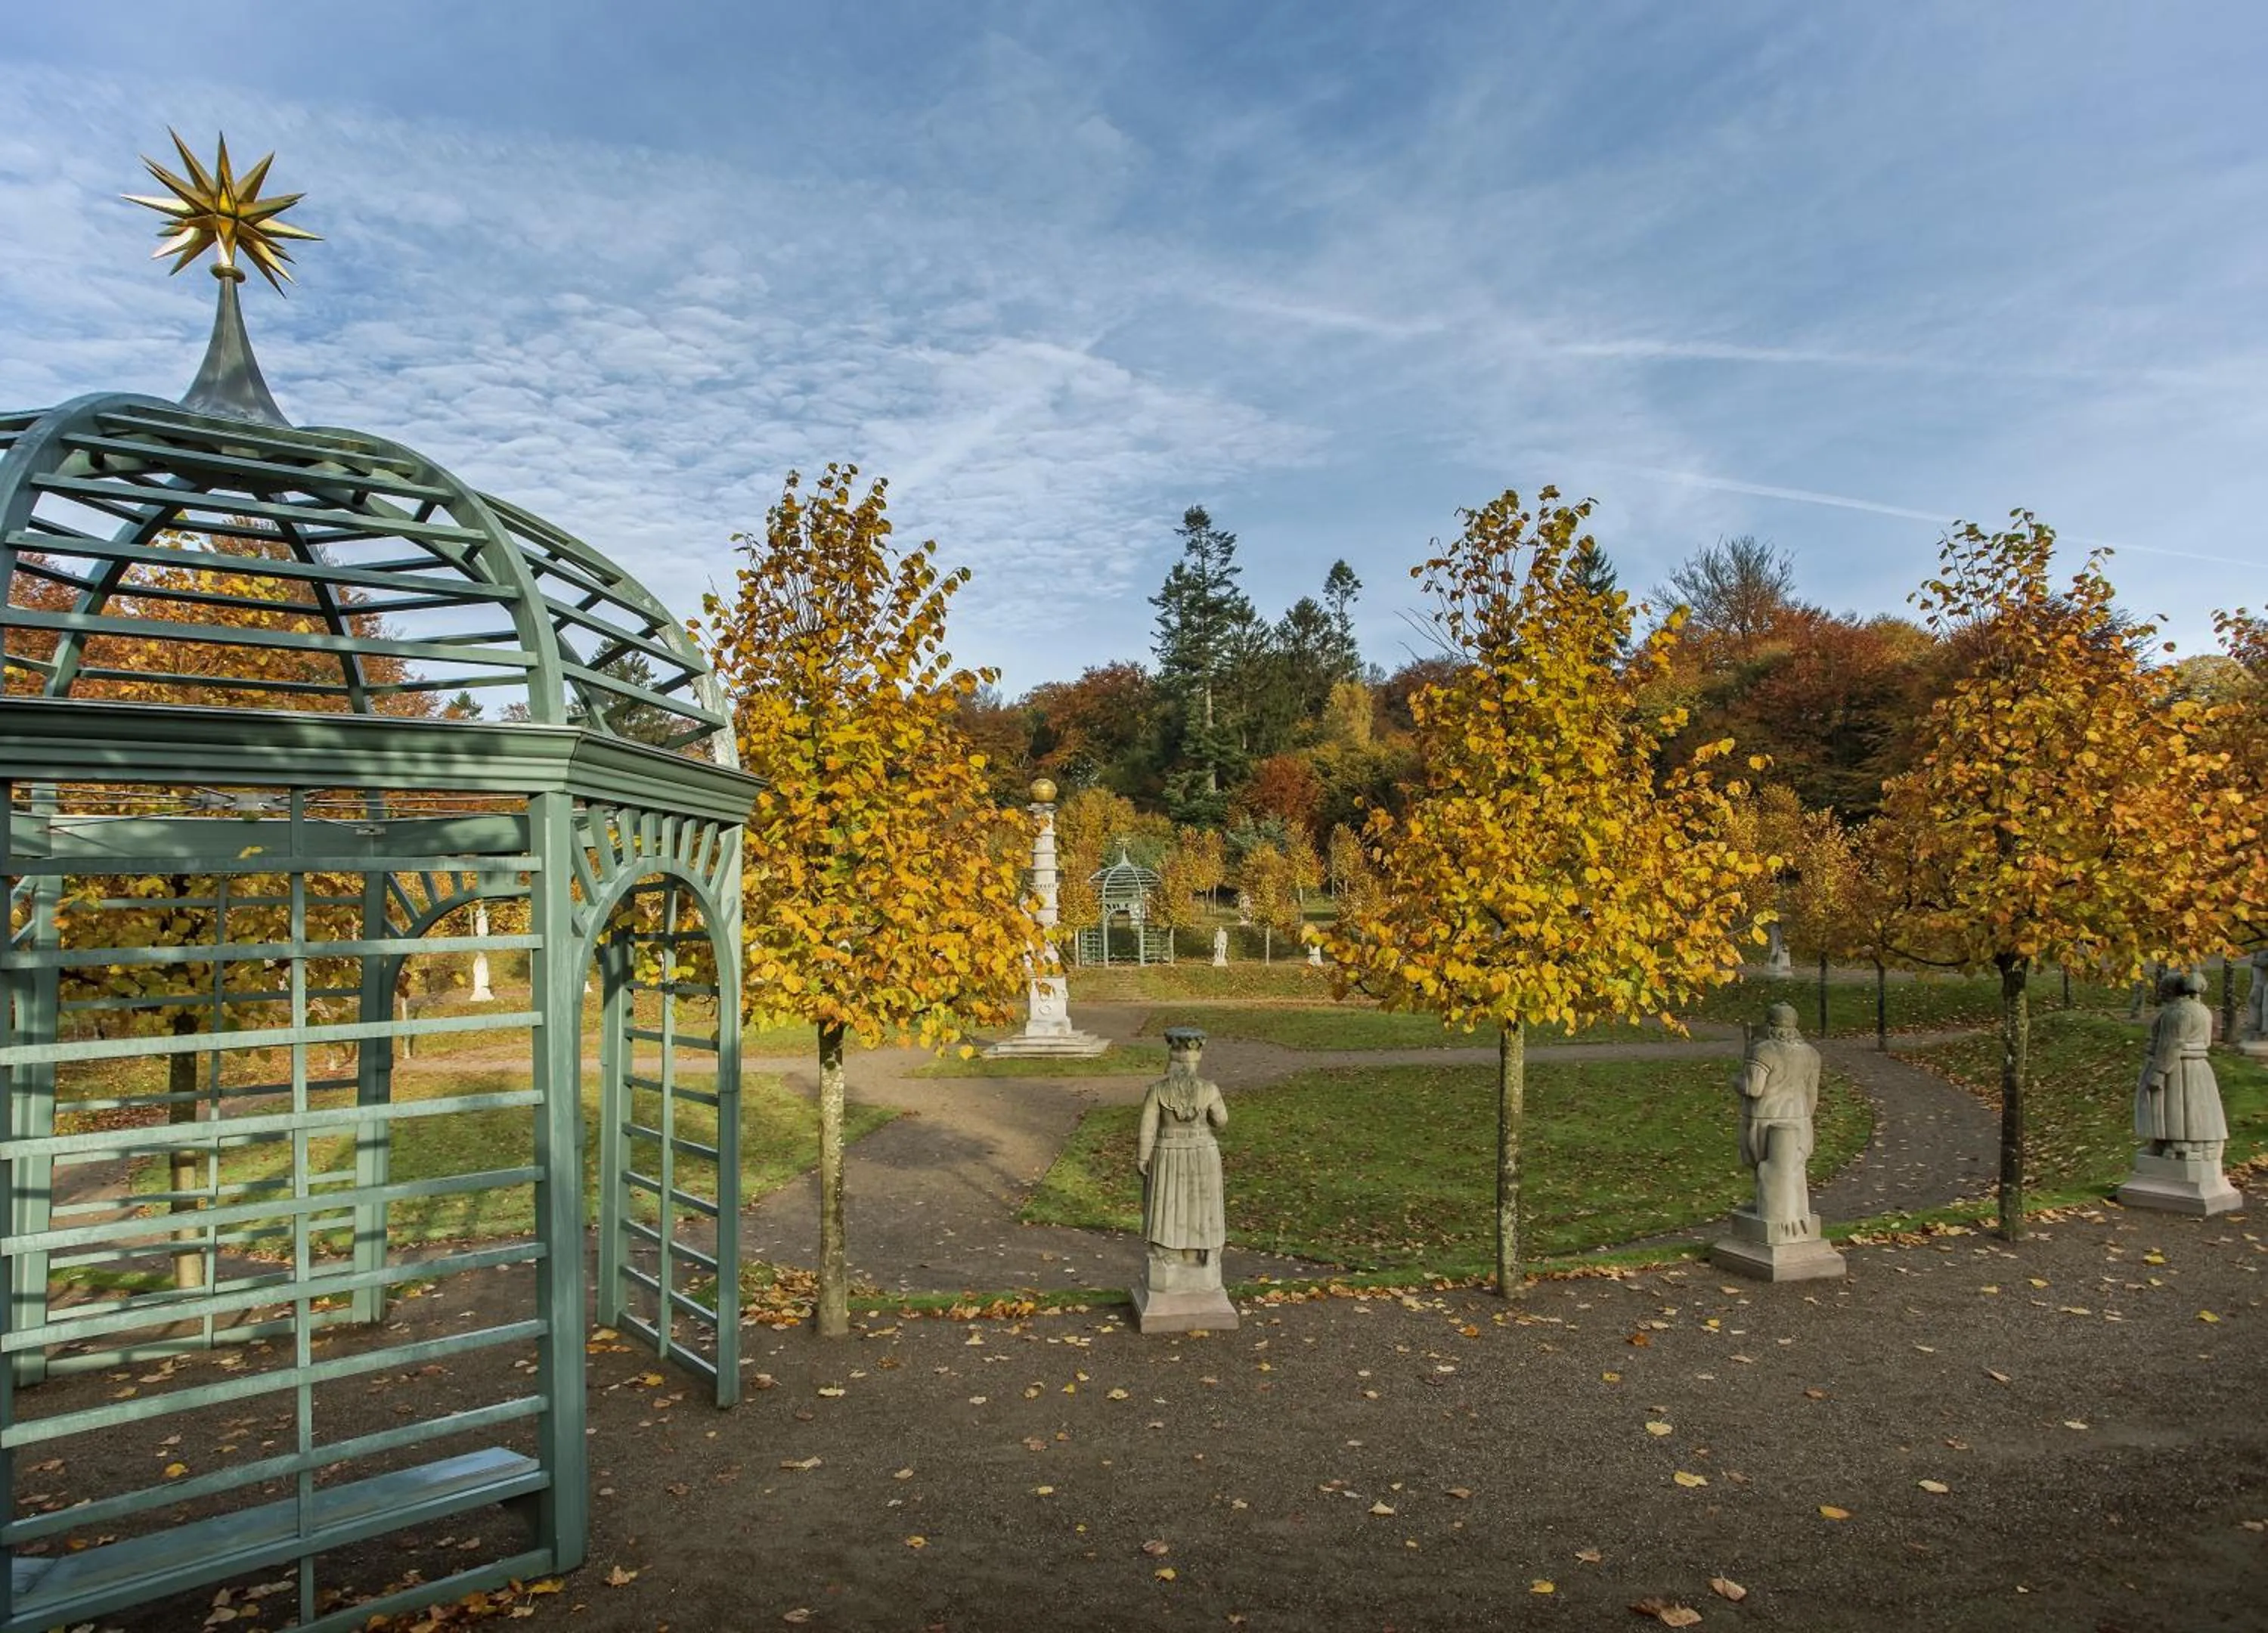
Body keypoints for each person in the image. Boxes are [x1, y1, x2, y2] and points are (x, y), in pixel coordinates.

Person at [1138, 1027, 1228, 1268]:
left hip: (1168, 1150)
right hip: (1203, 1150)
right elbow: (1221, 1121)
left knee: (1169, 1204)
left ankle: (1170, 1253)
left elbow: (1147, 1127)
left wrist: (1142, 1157)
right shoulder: (1209, 1089)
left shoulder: (1158, 1090)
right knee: (1201, 1203)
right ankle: (1198, 1253)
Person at [1737, 1002, 1821, 1228]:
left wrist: (1736, 1080)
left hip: (1765, 1118)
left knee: (1766, 1167)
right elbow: (1812, 1096)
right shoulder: (1811, 1054)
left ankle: (1776, 1215)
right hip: (1800, 1120)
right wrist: (1804, 1118)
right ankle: (1791, 1214)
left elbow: (1753, 1088)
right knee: (1794, 1169)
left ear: (1770, 1025)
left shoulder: (1763, 1051)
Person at [2135, 971, 2227, 1165]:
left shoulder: (2177, 1013)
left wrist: (2159, 1072)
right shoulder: (2202, 1010)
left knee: (2177, 1106)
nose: (2160, 993)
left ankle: (2179, 1144)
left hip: (2178, 1068)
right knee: (2191, 1106)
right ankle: (2167, 1143)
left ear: (2170, 991)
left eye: (2162, 990)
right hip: (2198, 1066)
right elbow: (2207, 1041)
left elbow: (2171, 1044)